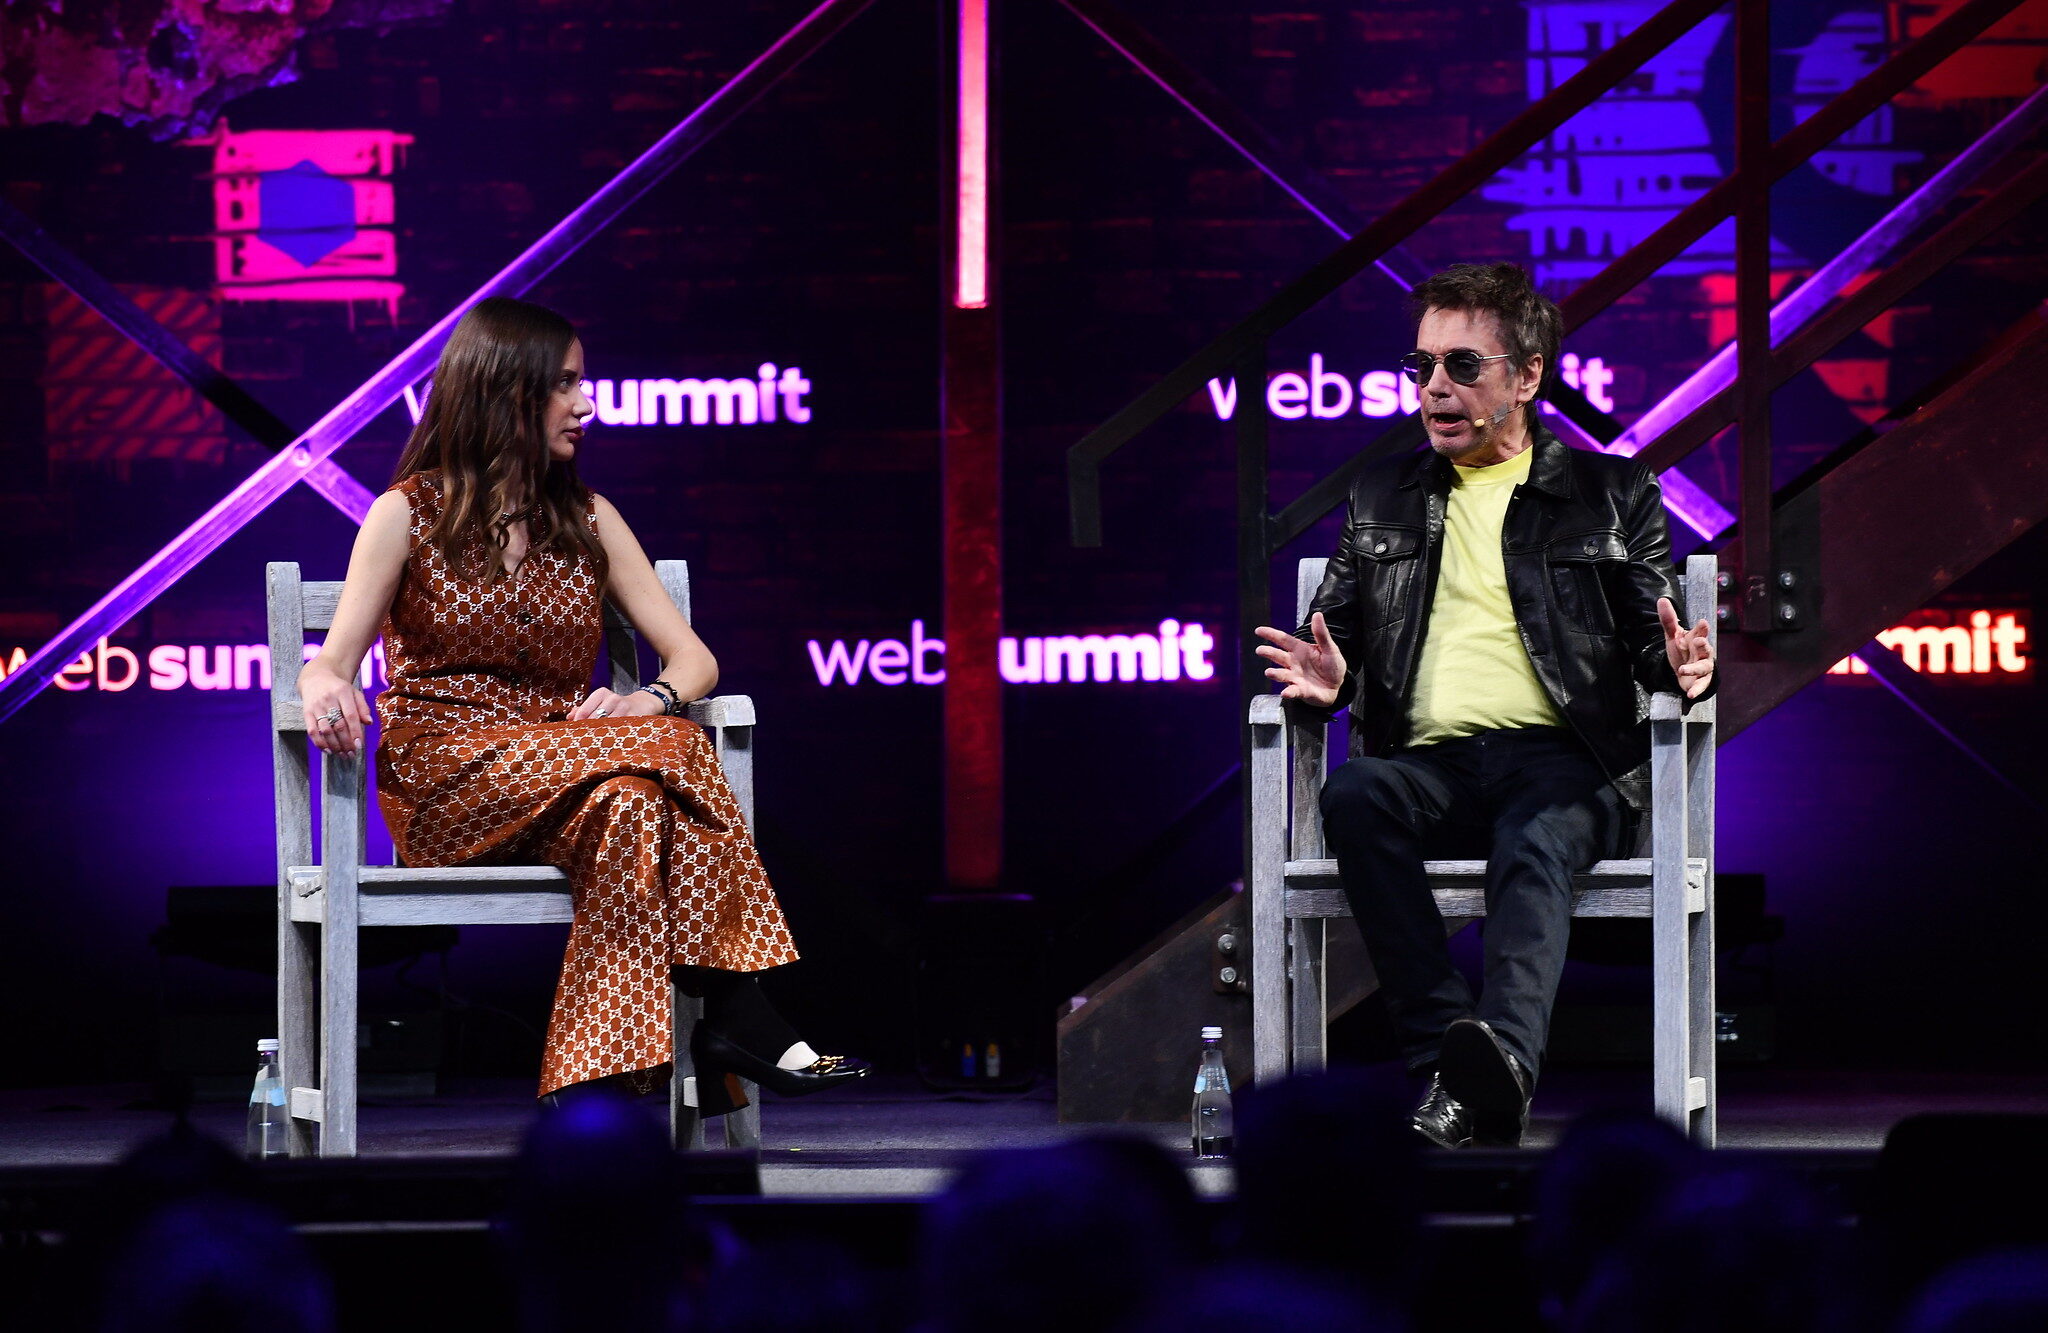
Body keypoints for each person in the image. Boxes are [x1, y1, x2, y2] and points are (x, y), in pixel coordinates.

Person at [296, 296, 867, 1111]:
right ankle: (736, 1007)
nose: (587, 403)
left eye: (583, 383)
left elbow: (694, 658)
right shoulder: (406, 513)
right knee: (673, 749)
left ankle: (595, 1092)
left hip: (568, 779)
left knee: (634, 802)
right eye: (565, 385)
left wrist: (655, 700)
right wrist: (322, 686)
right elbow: (332, 663)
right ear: (504, 391)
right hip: (446, 783)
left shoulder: (588, 517)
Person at [1255, 263, 1714, 1149]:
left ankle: (1487, 1067)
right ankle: (1455, 1070)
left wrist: (1687, 669)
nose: (1435, 389)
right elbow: (1339, 634)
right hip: (1432, 768)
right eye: (1421, 366)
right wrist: (1332, 680)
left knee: (1536, 837)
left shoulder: (1611, 494)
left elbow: (1658, 637)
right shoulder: (1382, 496)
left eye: (1463, 366)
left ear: (1528, 376)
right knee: (1354, 794)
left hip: (1567, 763)